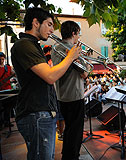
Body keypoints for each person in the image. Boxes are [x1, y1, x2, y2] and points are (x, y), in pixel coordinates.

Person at [11, 7, 81, 160]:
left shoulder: (33, 45)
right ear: (36, 23)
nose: (52, 29)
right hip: (36, 113)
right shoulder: (24, 45)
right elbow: (50, 76)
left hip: (40, 113)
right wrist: (70, 57)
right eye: (49, 24)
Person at [51, 20, 89, 160]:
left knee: (69, 130)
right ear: (74, 33)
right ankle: (72, 157)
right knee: (75, 132)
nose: (79, 37)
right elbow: (85, 73)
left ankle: (66, 155)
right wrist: (81, 57)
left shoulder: (56, 47)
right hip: (74, 96)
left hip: (62, 96)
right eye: (78, 34)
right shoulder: (70, 49)